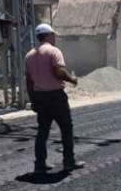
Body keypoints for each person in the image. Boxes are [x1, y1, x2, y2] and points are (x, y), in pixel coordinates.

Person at [25, 23, 85, 174]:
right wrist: (72, 79)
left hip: (40, 97)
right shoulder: (54, 51)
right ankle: (69, 162)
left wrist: (33, 101)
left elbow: (29, 82)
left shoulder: (29, 55)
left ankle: (40, 165)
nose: (55, 37)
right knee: (66, 128)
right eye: (53, 35)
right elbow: (59, 72)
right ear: (48, 35)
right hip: (56, 96)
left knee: (42, 131)